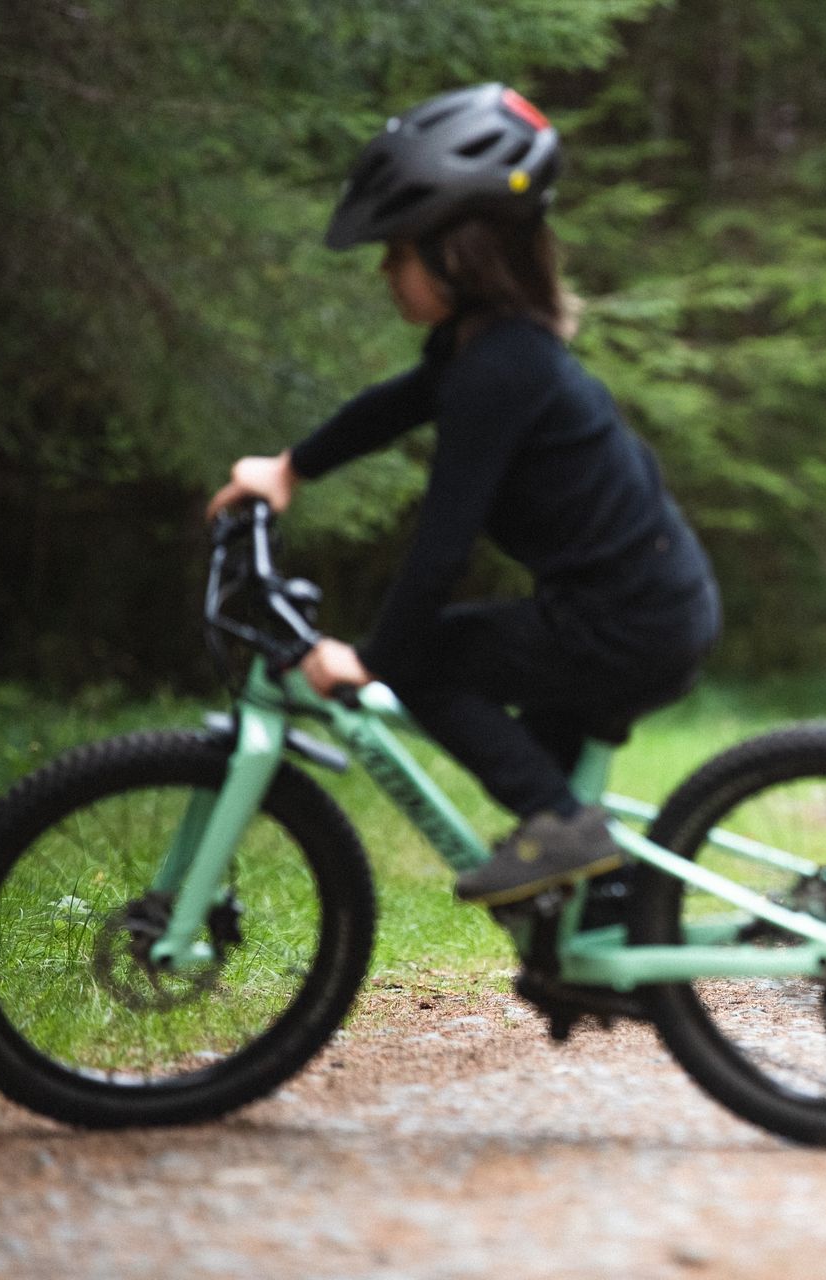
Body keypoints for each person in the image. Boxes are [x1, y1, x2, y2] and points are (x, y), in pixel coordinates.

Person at [207, 84, 720, 906]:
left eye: (399, 251)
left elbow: (442, 547)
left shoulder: (499, 371)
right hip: (641, 608)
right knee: (544, 804)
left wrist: (373, 658)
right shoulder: (483, 347)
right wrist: (291, 467)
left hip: (625, 626)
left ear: (461, 253)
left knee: (431, 661)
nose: (385, 268)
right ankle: (589, 921)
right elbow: (397, 405)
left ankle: (565, 829)